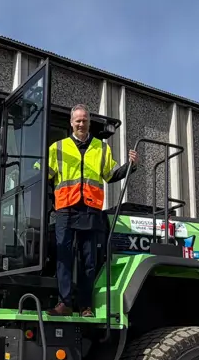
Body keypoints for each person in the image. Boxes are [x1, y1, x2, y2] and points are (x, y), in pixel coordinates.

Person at [46, 104, 137, 316]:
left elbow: (110, 175)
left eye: (84, 120)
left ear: (89, 123)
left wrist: (130, 166)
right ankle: (65, 303)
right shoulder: (57, 148)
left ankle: (85, 306)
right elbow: (45, 175)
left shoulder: (102, 148)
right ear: (71, 123)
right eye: (77, 120)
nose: (81, 123)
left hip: (91, 209)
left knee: (89, 260)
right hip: (66, 209)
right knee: (64, 257)